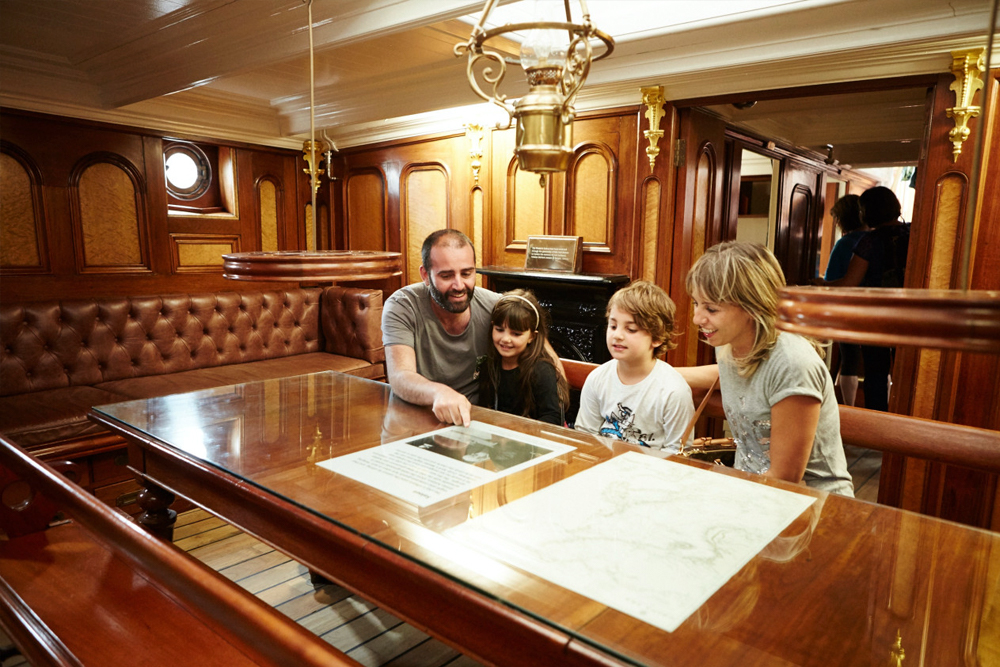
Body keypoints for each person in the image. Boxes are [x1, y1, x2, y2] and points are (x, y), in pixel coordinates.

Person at [681, 241, 854, 496]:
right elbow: (744, 376)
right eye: (696, 303)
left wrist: (716, 491)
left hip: (811, 505)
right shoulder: (730, 344)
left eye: (711, 308)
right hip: (752, 492)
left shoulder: (794, 364)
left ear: (751, 305)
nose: (697, 318)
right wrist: (655, 374)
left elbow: (784, 479)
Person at [382, 229, 562, 427]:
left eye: (467, 273)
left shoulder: (495, 306)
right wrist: (440, 393)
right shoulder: (402, 305)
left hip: (473, 425)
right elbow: (400, 377)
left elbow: (544, 352)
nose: (459, 285)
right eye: (446, 275)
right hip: (415, 419)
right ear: (425, 275)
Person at [575, 280, 695, 456]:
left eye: (631, 329)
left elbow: (678, 453)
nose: (617, 335)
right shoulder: (597, 378)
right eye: (613, 325)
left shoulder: (673, 391)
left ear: (657, 338)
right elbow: (586, 436)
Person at [820, 186, 909, 412]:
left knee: (876, 373)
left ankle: (878, 424)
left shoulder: (870, 241)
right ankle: (905, 419)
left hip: (877, 315)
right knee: (908, 372)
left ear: (868, 211)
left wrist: (818, 284)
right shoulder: (914, 234)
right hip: (911, 313)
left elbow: (849, 282)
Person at [478, 289, 569, 426]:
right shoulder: (489, 366)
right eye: (499, 329)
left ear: (532, 336)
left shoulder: (541, 370)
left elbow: (552, 418)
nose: (505, 339)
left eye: (516, 334)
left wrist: (520, 430)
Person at [823, 194, 867, 406]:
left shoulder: (846, 243)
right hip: (873, 308)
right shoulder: (874, 240)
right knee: (875, 362)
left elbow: (831, 279)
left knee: (848, 358)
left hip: (848, 308)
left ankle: (848, 406)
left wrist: (818, 284)